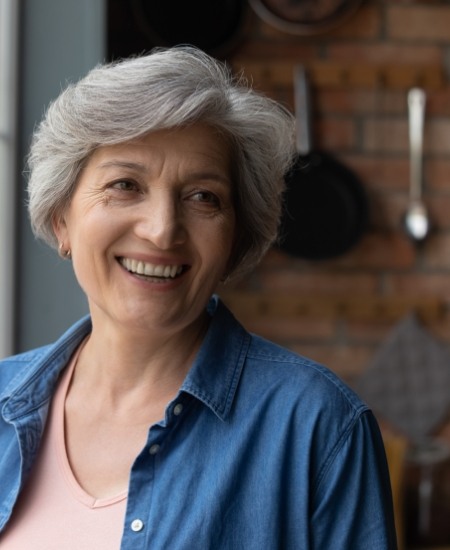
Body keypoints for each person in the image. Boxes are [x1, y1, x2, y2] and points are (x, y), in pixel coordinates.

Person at [0, 46, 397, 549]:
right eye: (125, 185)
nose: (163, 231)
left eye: (203, 197)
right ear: (62, 220)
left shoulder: (319, 427)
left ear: (235, 243)